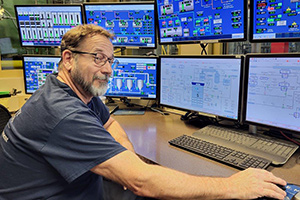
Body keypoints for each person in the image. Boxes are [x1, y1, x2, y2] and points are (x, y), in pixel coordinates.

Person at [0, 24, 287, 200]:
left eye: (111, 60)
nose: (108, 68)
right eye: (98, 58)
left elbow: (109, 121)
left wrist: (124, 156)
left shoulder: (71, 90)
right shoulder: (63, 113)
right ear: (68, 58)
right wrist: (232, 185)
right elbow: (141, 182)